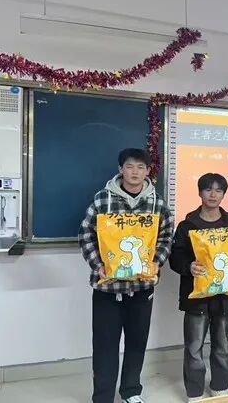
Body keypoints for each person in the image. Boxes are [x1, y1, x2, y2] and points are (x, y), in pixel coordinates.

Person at [79, 148, 174, 403]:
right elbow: (86, 235)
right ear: (121, 169)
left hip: (142, 288)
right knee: (105, 345)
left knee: (136, 342)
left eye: (141, 167)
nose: (135, 172)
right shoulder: (102, 200)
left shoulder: (157, 203)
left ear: (148, 171)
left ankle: (131, 391)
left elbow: (166, 237)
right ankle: (102, 397)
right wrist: (98, 265)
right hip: (107, 289)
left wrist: (156, 262)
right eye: (130, 166)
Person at [169, 173, 228, 402]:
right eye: (208, 189)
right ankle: (195, 392)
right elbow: (175, 257)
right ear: (200, 192)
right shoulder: (187, 225)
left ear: (223, 194)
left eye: (218, 190)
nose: (213, 194)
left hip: (224, 296)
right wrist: (188, 266)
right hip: (196, 297)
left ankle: (220, 386)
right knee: (194, 347)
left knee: (223, 345)